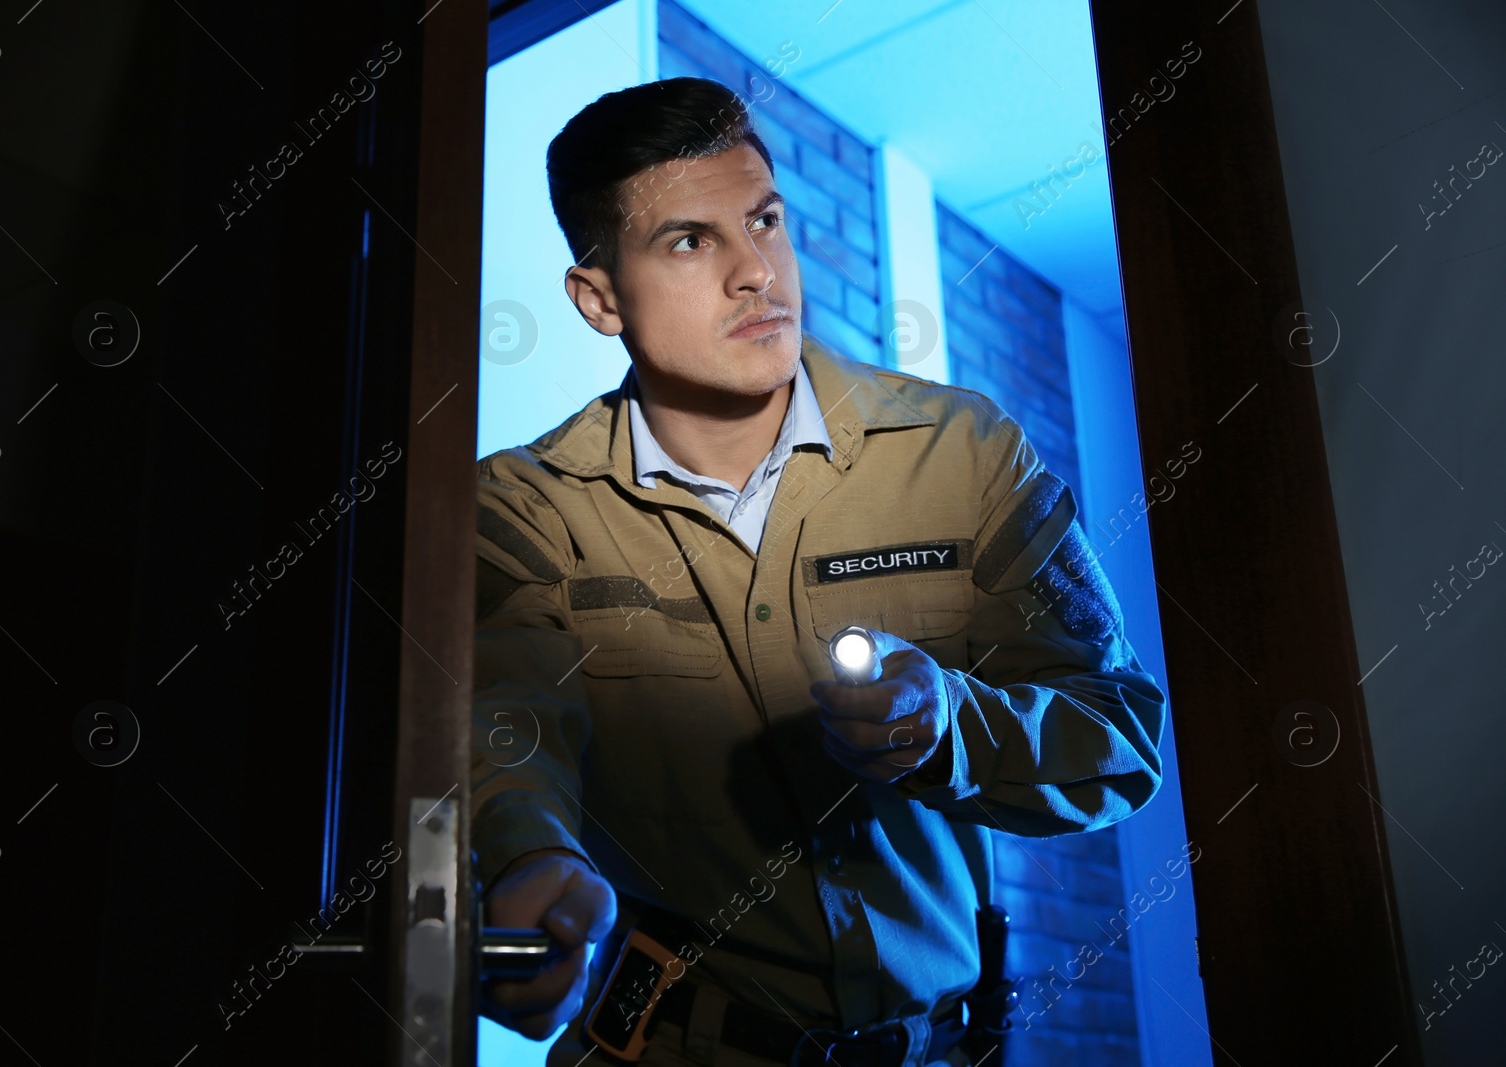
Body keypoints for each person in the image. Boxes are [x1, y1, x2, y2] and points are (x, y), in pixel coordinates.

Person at [472, 76, 1166, 1067]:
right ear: (598, 297)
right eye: (689, 241)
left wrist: (951, 727)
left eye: (764, 220)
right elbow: (507, 723)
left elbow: (1122, 736)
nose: (757, 270)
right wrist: (527, 853)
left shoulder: (962, 449)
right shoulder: (525, 509)